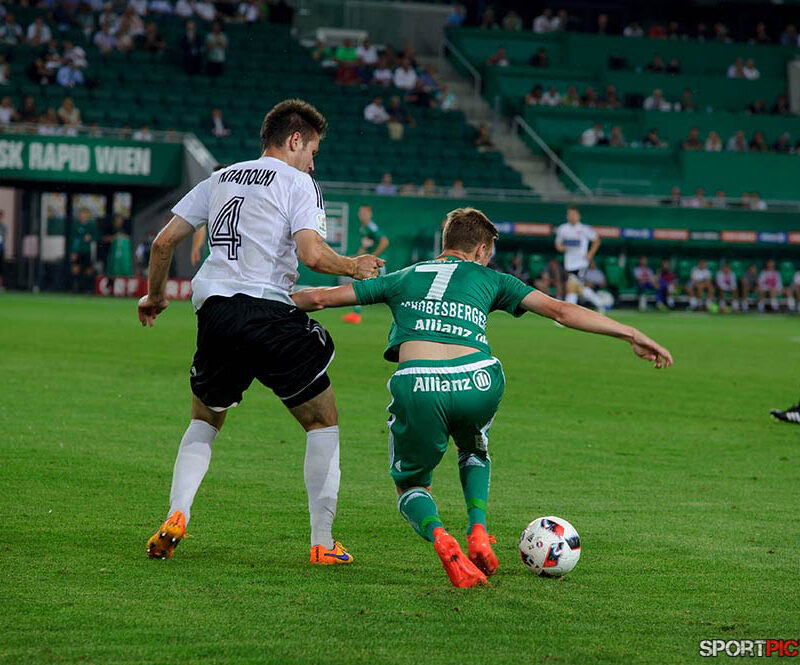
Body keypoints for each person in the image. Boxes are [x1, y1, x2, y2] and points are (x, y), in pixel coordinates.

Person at [289, 207, 672, 587]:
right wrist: (630, 333)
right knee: (473, 447)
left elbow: (319, 299)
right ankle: (477, 530)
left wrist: (259, 301)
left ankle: (441, 536)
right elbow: (561, 311)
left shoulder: (403, 276)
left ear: (446, 243)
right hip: (478, 380)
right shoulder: (493, 278)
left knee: (412, 486)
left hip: (418, 384)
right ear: (482, 250)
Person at [137, 99, 384, 564]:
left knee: (205, 420)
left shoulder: (219, 177)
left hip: (214, 314)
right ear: (295, 140)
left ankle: (177, 513)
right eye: (312, 150)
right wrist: (352, 266)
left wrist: (155, 296)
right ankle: (323, 543)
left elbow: (163, 242)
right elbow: (311, 253)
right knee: (321, 420)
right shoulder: (299, 182)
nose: (313, 161)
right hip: (268, 315)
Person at [342, 205, 389, 324]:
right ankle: (355, 314)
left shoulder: (371, 227)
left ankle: (356, 314)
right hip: (371, 263)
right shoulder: (364, 228)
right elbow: (364, 247)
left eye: (365, 212)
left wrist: (373, 257)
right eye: (360, 212)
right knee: (360, 283)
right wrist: (356, 258)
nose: (362, 215)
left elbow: (384, 242)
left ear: (370, 214)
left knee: (386, 290)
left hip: (378, 264)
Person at [555, 206, 604, 312]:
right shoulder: (563, 229)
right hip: (569, 263)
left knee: (571, 287)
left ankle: (568, 313)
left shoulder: (584, 229)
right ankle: (599, 303)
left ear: (578, 216)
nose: (571, 216)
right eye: (569, 214)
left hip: (581, 263)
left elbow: (597, 240)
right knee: (580, 289)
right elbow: (558, 245)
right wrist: (562, 248)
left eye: (573, 214)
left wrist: (590, 254)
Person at [70, 208, 98, 293]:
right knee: (75, 270)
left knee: (88, 271)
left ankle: (87, 289)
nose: (83, 216)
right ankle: (75, 289)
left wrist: (91, 238)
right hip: (77, 252)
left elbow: (97, 236)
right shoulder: (75, 225)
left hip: (88, 252)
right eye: (81, 214)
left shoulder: (91, 225)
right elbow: (72, 239)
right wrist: (73, 251)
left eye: (85, 214)